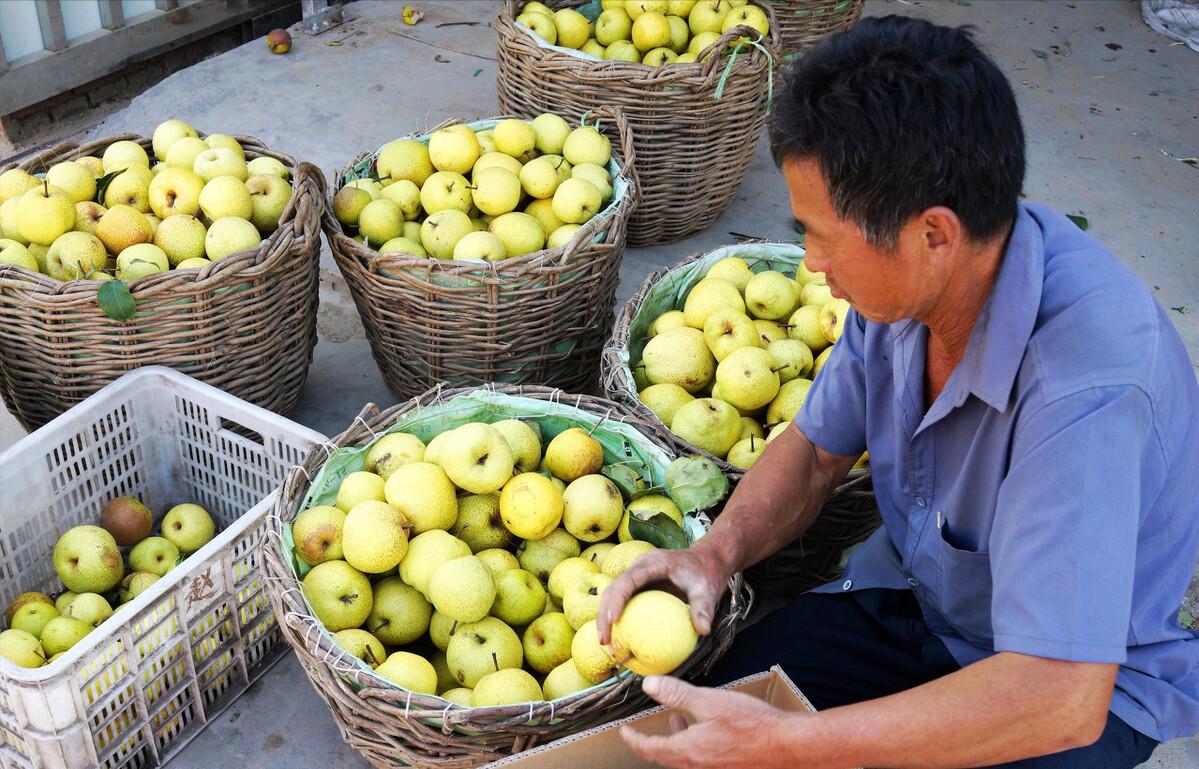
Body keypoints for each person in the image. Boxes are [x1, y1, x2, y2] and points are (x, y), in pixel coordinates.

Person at [597, 15, 1199, 769]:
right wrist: (715, 555)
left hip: (1069, 689)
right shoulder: (905, 298)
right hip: (926, 610)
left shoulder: (1086, 391)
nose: (810, 263)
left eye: (821, 235)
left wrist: (795, 743)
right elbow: (816, 452)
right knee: (715, 702)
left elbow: (1060, 696)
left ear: (932, 235)